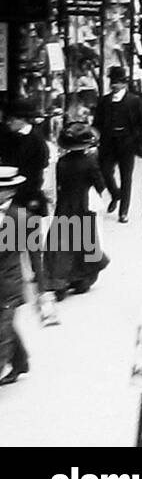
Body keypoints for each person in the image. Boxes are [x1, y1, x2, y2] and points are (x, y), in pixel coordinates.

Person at [1, 99, 55, 325]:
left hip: (28, 198)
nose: (7, 123)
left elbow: (38, 176)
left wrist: (28, 198)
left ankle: (43, 293)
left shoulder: (37, 142)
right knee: (9, 246)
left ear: (20, 120)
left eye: (10, 120)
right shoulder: (7, 136)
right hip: (9, 197)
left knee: (33, 248)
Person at [45, 123, 109, 297]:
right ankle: (82, 279)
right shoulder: (89, 163)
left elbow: (57, 186)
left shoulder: (62, 162)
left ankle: (59, 281)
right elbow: (100, 185)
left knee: (61, 244)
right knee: (85, 244)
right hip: (82, 206)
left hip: (64, 206)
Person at [92, 65, 142, 222]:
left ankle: (124, 211)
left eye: (117, 82)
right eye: (112, 82)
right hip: (108, 143)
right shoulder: (104, 101)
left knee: (126, 177)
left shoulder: (134, 101)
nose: (114, 85)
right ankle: (116, 194)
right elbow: (97, 122)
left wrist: (138, 140)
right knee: (105, 171)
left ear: (124, 83)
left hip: (127, 143)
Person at [0, 168, 30, 385]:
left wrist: (42, 285)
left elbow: (34, 252)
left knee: (2, 329)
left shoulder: (20, 217)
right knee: (6, 325)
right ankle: (20, 361)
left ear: (9, 191)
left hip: (9, 282)